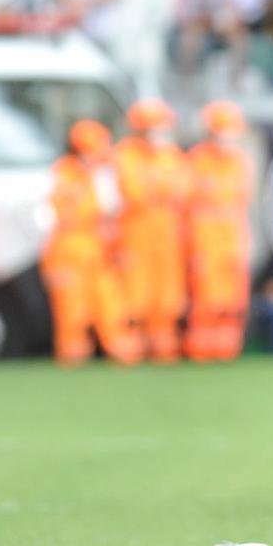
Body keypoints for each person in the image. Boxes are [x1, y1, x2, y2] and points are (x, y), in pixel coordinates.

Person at [41, 119, 140, 366]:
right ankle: (73, 356)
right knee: (72, 311)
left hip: (97, 250)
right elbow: (51, 216)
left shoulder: (102, 175)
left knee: (109, 303)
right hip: (68, 251)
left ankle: (120, 351)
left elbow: (113, 213)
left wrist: (116, 246)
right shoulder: (62, 174)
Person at [115, 99, 192, 362]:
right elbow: (132, 192)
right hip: (136, 233)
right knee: (136, 290)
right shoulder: (125, 154)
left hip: (167, 233)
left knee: (168, 290)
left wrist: (158, 191)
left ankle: (164, 344)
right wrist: (160, 190)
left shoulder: (170, 154)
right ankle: (135, 345)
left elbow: (183, 190)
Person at [184, 101, 255, 362]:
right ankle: (201, 347)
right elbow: (189, 204)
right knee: (206, 296)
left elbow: (241, 203)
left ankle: (229, 345)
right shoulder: (197, 160)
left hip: (232, 237)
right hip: (206, 238)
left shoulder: (240, 161)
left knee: (233, 297)